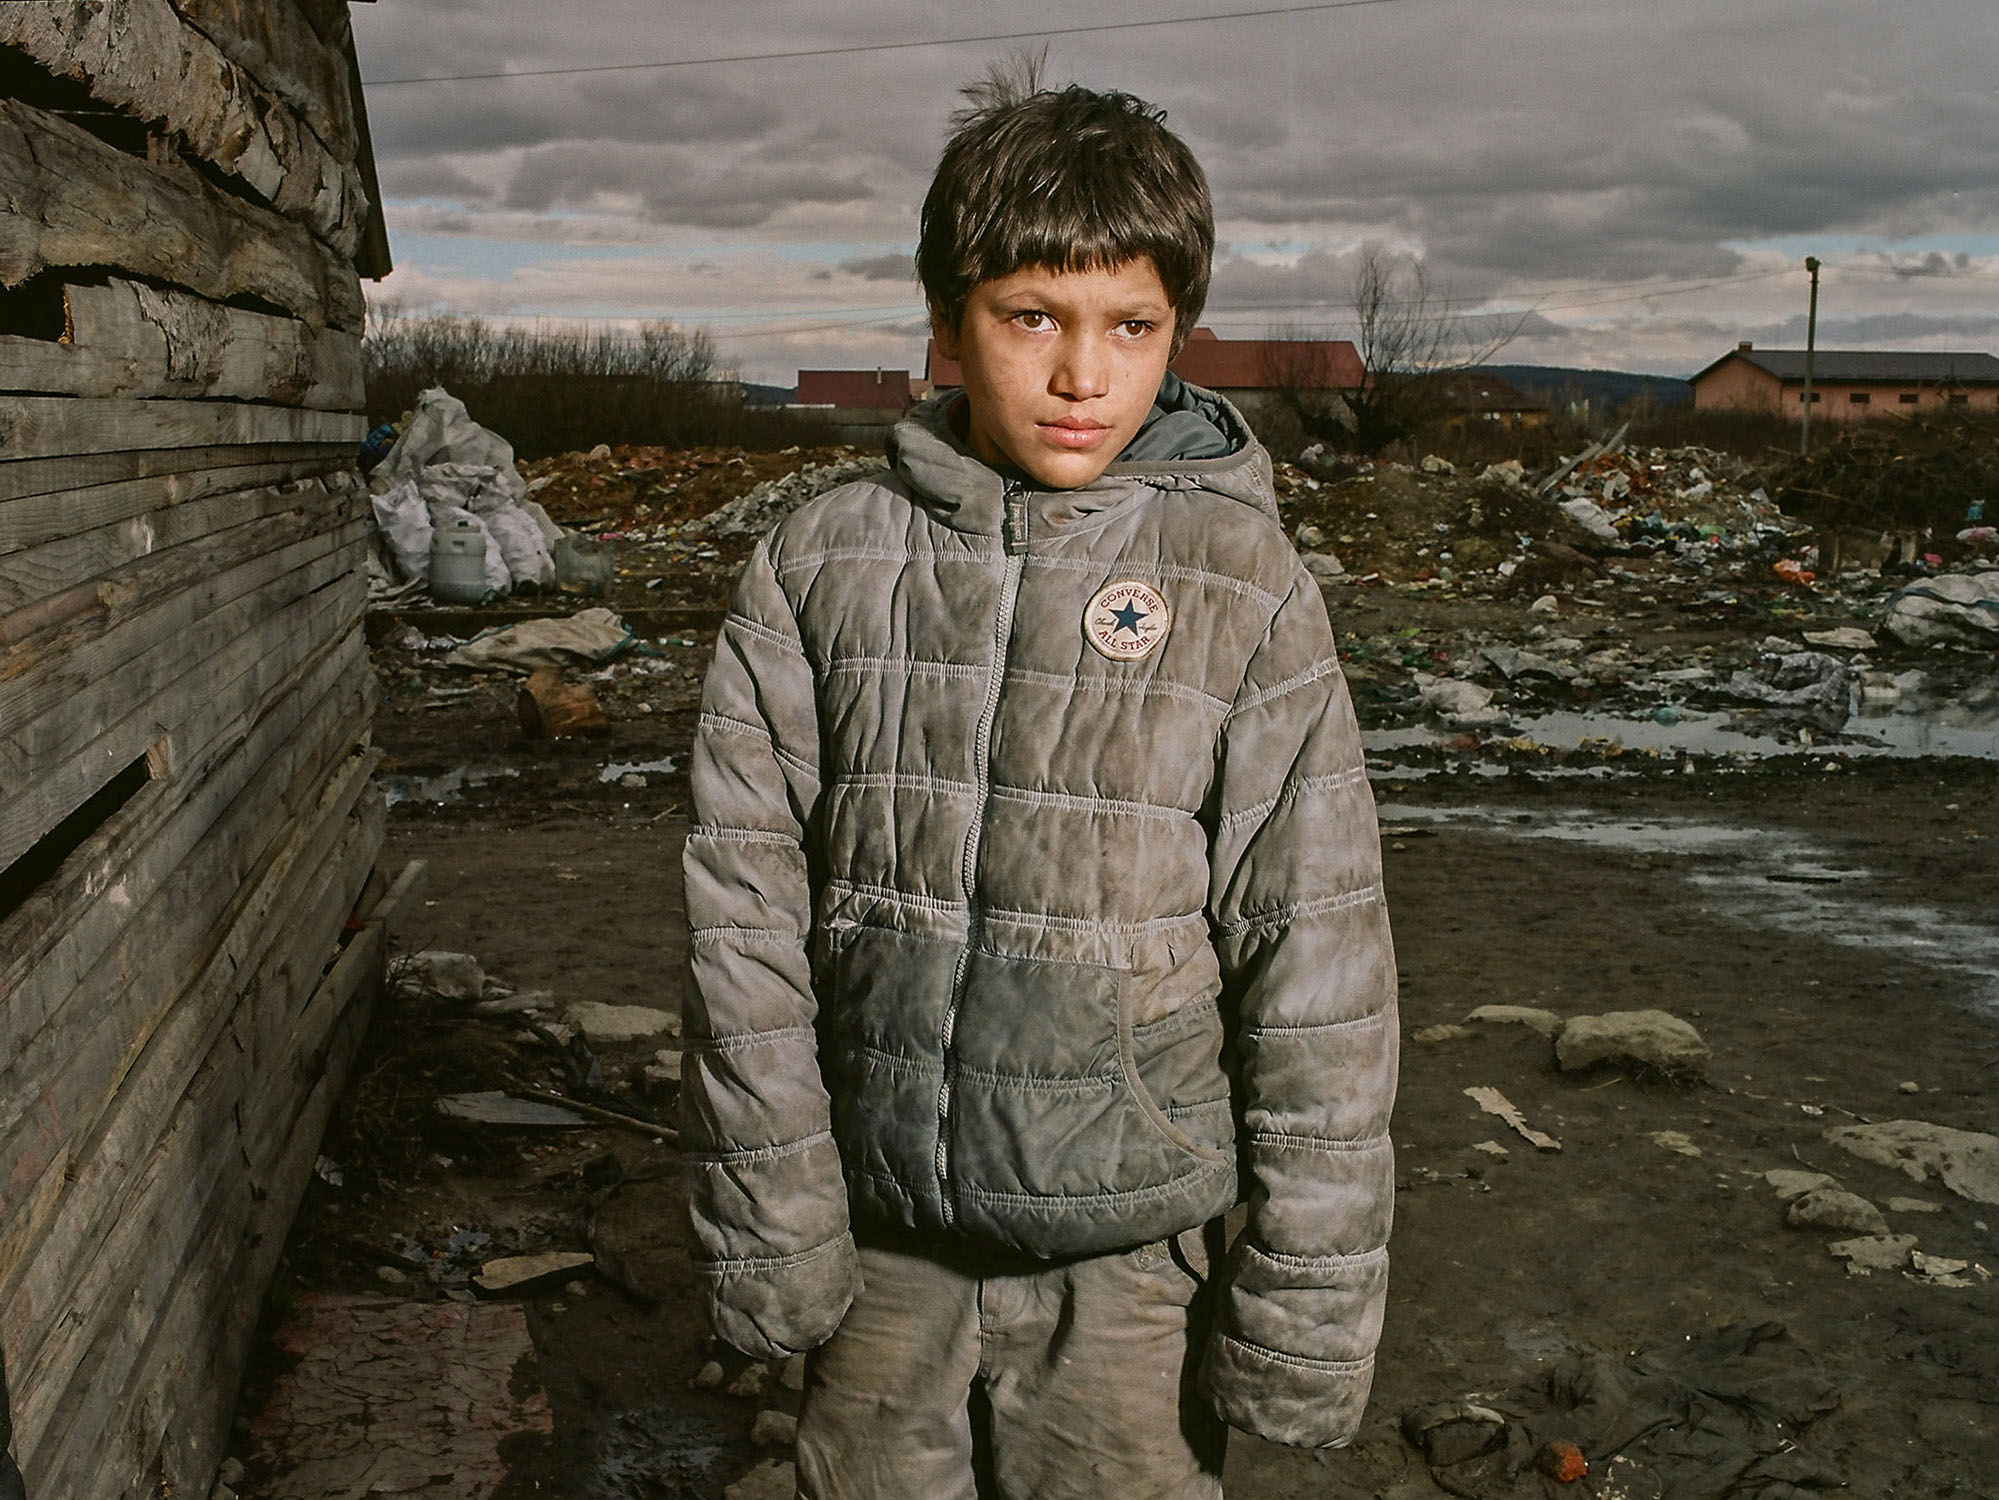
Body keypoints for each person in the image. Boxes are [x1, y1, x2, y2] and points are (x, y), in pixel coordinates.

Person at [681, 63, 1397, 1499]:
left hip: (1133, 1269)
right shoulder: (821, 566)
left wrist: (1306, 1305)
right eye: (1032, 318)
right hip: (882, 1246)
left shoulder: (1243, 585)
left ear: (1178, 333)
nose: (1084, 377)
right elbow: (739, 931)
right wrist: (777, 1217)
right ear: (947, 322)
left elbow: (1319, 962)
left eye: (1132, 326)